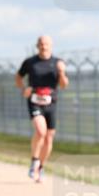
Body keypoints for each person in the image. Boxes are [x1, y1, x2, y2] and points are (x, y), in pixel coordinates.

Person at [15, 36, 68, 182]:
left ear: (51, 45)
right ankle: (34, 160)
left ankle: (41, 167)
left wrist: (62, 72)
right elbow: (18, 77)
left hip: (51, 102)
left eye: (46, 44)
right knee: (40, 131)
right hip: (34, 101)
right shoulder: (30, 62)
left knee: (49, 137)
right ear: (37, 45)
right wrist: (23, 88)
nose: (44, 46)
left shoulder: (58, 63)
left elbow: (64, 85)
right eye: (41, 43)